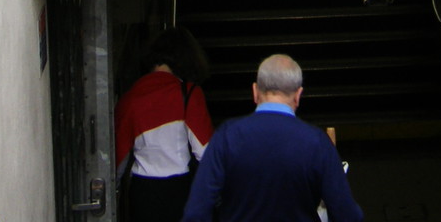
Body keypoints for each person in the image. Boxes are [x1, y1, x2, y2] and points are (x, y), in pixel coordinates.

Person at [181, 54, 361, 222]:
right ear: (298, 95)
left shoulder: (227, 136)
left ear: (254, 91)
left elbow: (196, 211)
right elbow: (347, 213)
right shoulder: (316, 142)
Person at [116, 28, 214, 222]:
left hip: (142, 191)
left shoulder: (130, 99)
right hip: (179, 189)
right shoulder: (188, 94)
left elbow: (118, 160)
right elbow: (205, 152)